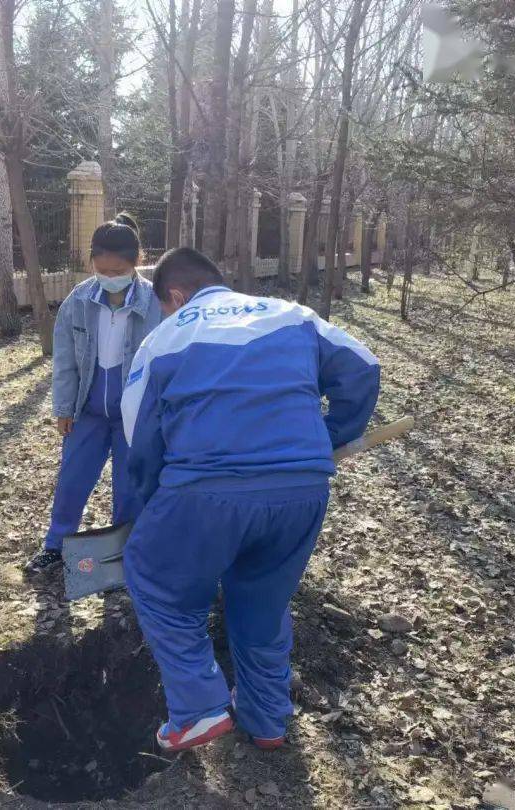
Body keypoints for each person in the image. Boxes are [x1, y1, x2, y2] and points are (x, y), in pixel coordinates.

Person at [120, 247, 380, 752]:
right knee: (263, 599)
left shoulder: (166, 337)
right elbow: (364, 368)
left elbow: (140, 438)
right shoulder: (293, 316)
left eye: (165, 305)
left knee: (155, 581)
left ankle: (197, 708)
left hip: (205, 492)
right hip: (300, 493)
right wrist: (329, 438)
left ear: (174, 295)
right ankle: (267, 719)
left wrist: (154, 504)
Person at [26, 214, 163, 574]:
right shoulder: (80, 299)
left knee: (130, 484)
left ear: (136, 262)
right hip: (88, 407)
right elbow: (66, 358)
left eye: (117, 270)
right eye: (101, 269)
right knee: (73, 478)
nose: (109, 277)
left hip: (135, 413)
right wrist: (64, 407)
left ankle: (124, 552)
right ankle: (55, 545)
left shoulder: (155, 303)